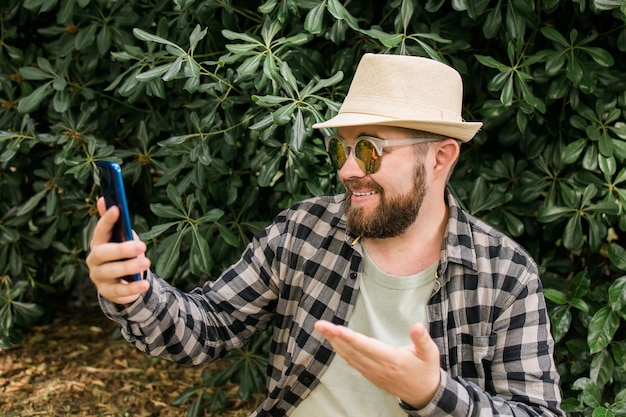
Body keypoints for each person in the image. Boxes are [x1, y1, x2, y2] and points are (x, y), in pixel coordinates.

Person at [86, 53, 564, 416]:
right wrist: (133, 290)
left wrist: (432, 393)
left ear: (440, 158)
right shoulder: (304, 231)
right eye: (343, 150)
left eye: (371, 152)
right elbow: (207, 329)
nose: (349, 170)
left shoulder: (504, 275)